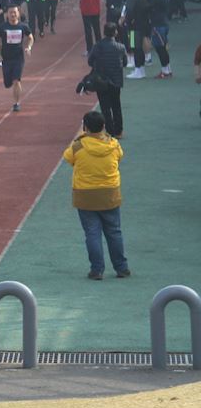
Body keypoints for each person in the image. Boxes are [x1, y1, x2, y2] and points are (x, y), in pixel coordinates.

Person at [63, 111, 129, 281]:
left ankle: (97, 270)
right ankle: (121, 267)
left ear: (85, 127)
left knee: (92, 233)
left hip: (86, 195)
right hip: (109, 193)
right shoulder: (113, 144)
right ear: (103, 126)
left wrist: (80, 136)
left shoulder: (78, 146)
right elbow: (120, 157)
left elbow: (68, 158)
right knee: (114, 231)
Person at [0, 5, 33, 112]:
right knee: (8, 83)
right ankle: (10, 84)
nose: (13, 14)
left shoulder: (23, 26)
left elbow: (30, 37)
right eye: (10, 13)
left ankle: (16, 103)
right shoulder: (2, 27)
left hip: (18, 58)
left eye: (14, 12)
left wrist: (28, 47)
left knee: (16, 80)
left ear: (18, 13)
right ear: (7, 14)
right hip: (6, 58)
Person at [87, 23, 128, 138]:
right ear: (115, 32)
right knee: (116, 106)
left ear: (104, 32)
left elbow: (90, 61)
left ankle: (109, 131)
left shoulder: (97, 46)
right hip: (116, 81)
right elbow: (125, 62)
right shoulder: (121, 47)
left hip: (101, 81)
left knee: (105, 108)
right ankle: (119, 131)